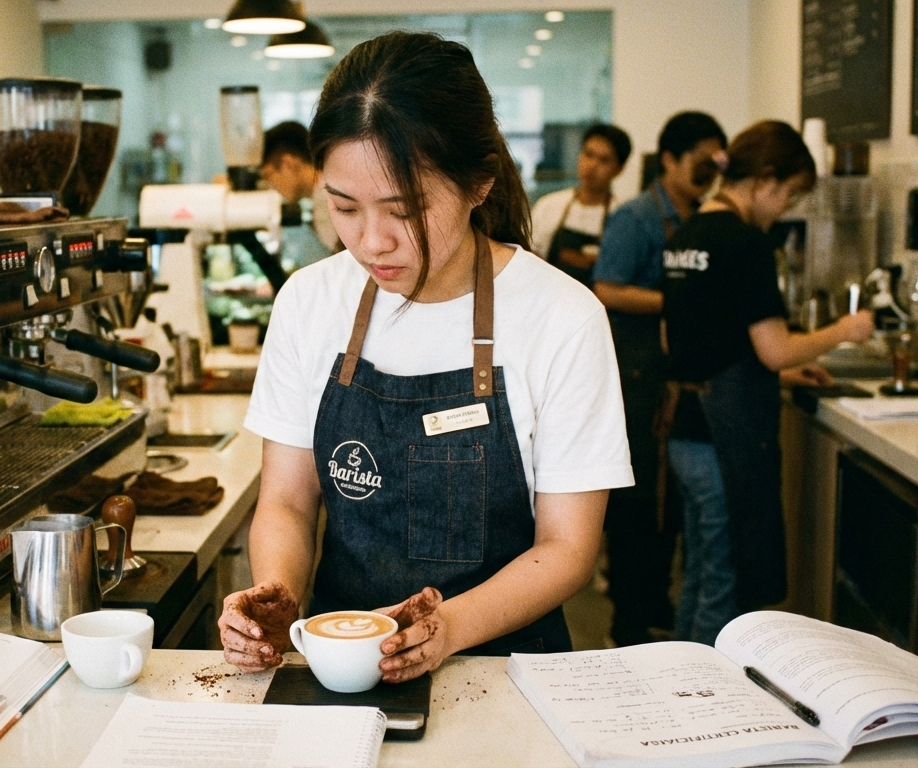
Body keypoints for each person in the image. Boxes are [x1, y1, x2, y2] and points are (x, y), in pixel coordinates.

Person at [220, 31, 632, 682]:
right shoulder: (308, 302)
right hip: (338, 668)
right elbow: (288, 501)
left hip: (507, 675)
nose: (372, 241)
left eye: (404, 210)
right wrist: (276, 596)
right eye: (344, 208)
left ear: (479, 183)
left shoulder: (562, 317)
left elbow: (568, 548)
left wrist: (449, 629)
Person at [659, 120, 874, 645]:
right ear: (768, 179)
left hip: (685, 431)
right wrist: (844, 330)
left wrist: (772, 368)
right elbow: (774, 346)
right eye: (791, 195)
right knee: (725, 584)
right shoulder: (745, 243)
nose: (786, 209)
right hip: (723, 439)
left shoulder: (685, 233)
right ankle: (705, 707)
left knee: (700, 575)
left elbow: (679, 339)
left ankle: (679, 682)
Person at [591, 111, 728, 647]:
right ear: (668, 159)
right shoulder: (637, 218)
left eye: (716, 166)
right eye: (700, 164)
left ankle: (655, 610)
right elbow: (606, 287)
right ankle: (627, 626)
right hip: (636, 380)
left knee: (668, 511)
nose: (709, 175)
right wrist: (679, 302)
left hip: (674, 384)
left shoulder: (701, 216)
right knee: (637, 508)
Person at [528, 123, 631, 287]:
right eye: (588, 154)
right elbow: (529, 257)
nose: (592, 166)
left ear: (619, 169)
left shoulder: (623, 215)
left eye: (604, 160)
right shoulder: (549, 206)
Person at [260, 121, 340, 255]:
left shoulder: (328, 199)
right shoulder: (323, 193)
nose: (271, 186)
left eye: (268, 176)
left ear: (287, 163)